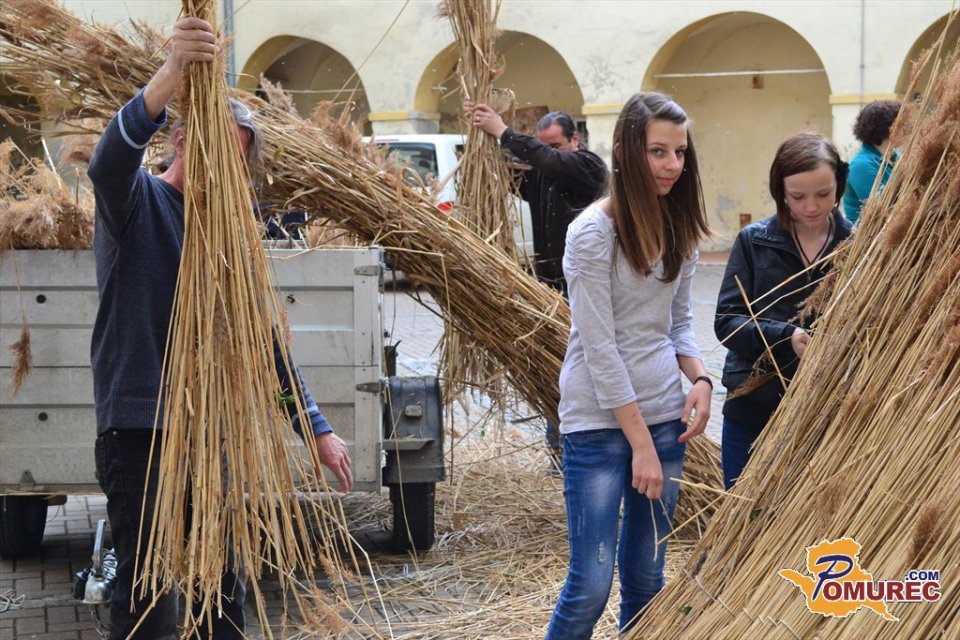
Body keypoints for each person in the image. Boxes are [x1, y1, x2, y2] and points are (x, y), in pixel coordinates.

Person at [87, 17, 352, 638]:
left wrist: (313, 426)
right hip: (142, 429)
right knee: (148, 597)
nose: (224, 173)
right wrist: (170, 76)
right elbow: (106, 165)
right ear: (180, 141)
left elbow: (264, 345)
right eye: (215, 153)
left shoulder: (229, 238)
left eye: (235, 163)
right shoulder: (137, 204)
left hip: (213, 431)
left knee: (222, 591)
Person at [545, 92, 712, 639]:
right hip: (598, 423)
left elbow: (678, 323)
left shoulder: (679, 225)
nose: (672, 165)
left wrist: (701, 378)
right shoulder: (591, 234)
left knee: (646, 576)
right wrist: (640, 444)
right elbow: (600, 347)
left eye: (679, 152)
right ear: (623, 151)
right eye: (657, 151)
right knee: (590, 583)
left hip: (665, 418)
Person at [465, 103, 608, 462]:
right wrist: (482, 144)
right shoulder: (545, 173)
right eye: (544, 146)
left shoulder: (588, 167)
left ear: (575, 140)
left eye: (555, 145)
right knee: (558, 368)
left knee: (580, 369)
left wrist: (503, 131)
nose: (548, 153)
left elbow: (548, 161)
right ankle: (559, 448)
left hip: (584, 290)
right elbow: (516, 175)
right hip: (549, 288)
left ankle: (580, 445)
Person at [715, 133, 853, 490]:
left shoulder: (857, 245)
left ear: (839, 185)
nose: (812, 207)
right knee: (743, 512)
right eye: (798, 197)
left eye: (823, 194)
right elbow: (727, 322)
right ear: (780, 192)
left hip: (824, 413)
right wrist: (785, 337)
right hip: (753, 406)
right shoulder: (754, 241)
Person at [842, 99, 902, 223]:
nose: (906, 128)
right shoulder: (861, 165)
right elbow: (883, 209)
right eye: (901, 124)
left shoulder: (897, 157)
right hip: (869, 233)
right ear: (885, 128)